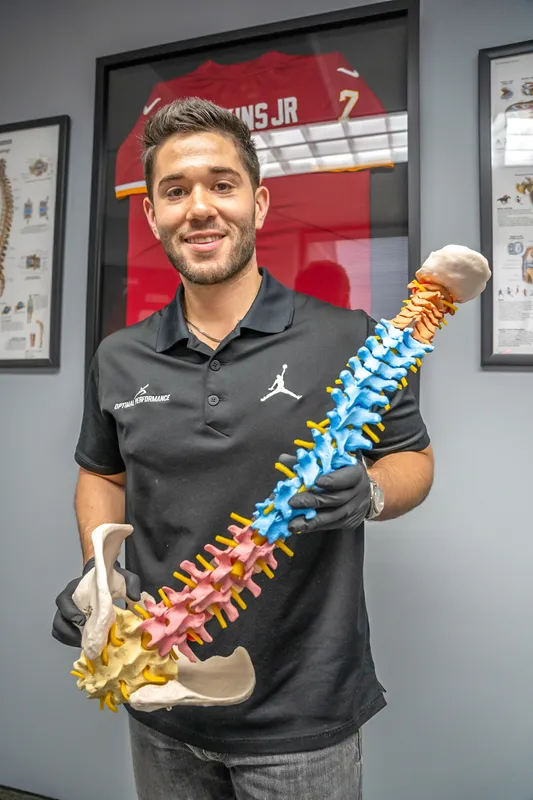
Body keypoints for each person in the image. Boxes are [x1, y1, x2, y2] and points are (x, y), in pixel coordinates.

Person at [52, 97, 434, 800]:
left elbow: (413, 459)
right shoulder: (118, 357)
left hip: (304, 712)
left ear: (257, 203)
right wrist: (96, 578)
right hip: (158, 695)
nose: (199, 208)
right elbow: (101, 474)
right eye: (175, 190)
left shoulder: (351, 339)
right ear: (152, 216)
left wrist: (372, 493)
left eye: (221, 185)